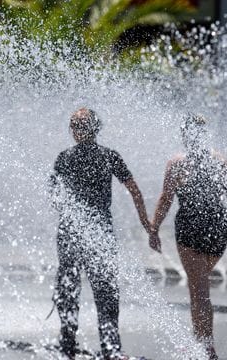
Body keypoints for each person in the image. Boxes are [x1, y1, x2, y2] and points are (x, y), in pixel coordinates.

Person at [49, 108, 155, 360]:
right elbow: (134, 190)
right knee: (103, 290)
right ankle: (109, 349)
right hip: (98, 233)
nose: (75, 130)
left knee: (69, 287)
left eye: (77, 125)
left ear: (90, 128)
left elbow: (54, 197)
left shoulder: (65, 157)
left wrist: (69, 211)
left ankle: (67, 344)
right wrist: (143, 220)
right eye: (73, 125)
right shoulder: (107, 156)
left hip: (71, 232)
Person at [148, 114, 227, 359]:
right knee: (199, 287)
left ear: (185, 135)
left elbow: (166, 198)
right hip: (217, 229)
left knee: (199, 291)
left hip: (190, 229)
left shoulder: (177, 162)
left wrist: (154, 227)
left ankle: (207, 348)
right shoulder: (221, 161)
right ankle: (199, 342)